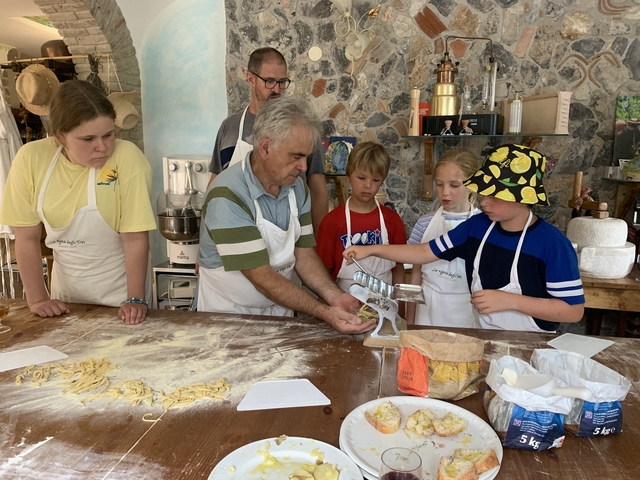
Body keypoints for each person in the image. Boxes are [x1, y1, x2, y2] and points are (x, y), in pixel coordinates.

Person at [344, 144, 585, 332]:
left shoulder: (552, 245)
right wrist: (371, 249)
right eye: (484, 193)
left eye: (494, 195)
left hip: (530, 346)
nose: (484, 201)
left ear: (522, 197)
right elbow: (424, 252)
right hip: (483, 337)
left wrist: (509, 301)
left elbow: (573, 311)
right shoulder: (478, 227)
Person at [197, 95, 373, 335]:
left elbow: (303, 253)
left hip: (279, 311)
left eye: (306, 157)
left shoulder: (296, 188)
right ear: (266, 148)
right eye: (296, 156)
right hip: (229, 317)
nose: (303, 166)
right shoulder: (227, 196)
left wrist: (335, 296)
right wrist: (323, 312)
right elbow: (262, 277)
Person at [0, 80, 155, 324]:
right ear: (61, 136)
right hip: (65, 299)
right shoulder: (31, 159)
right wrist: (38, 300)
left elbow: (135, 237)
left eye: (108, 135)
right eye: (88, 139)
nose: (102, 147)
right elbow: (27, 237)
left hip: (122, 296)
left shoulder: (127, 157)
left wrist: (135, 299)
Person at [208, 47, 328, 234]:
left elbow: (318, 191)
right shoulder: (229, 128)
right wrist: (205, 241)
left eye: (282, 82)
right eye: (270, 81)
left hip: (288, 233)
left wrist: (320, 240)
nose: (277, 89)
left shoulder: (302, 128)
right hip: (236, 233)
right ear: (250, 79)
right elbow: (215, 186)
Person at [316, 141, 406, 294]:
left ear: (383, 180)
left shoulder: (392, 220)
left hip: (386, 305)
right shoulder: (332, 222)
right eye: (361, 178)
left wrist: (399, 311)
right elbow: (324, 275)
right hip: (345, 304)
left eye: (375, 180)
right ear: (349, 175)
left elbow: (398, 269)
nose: (368, 185)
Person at [406, 148, 481, 328]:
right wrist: (410, 322)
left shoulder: (484, 227)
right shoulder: (424, 224)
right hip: (428, 310)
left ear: (472, 185)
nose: (445, 192)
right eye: (439, 184)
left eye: (454, 185)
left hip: (466, 312)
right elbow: (415, 276)